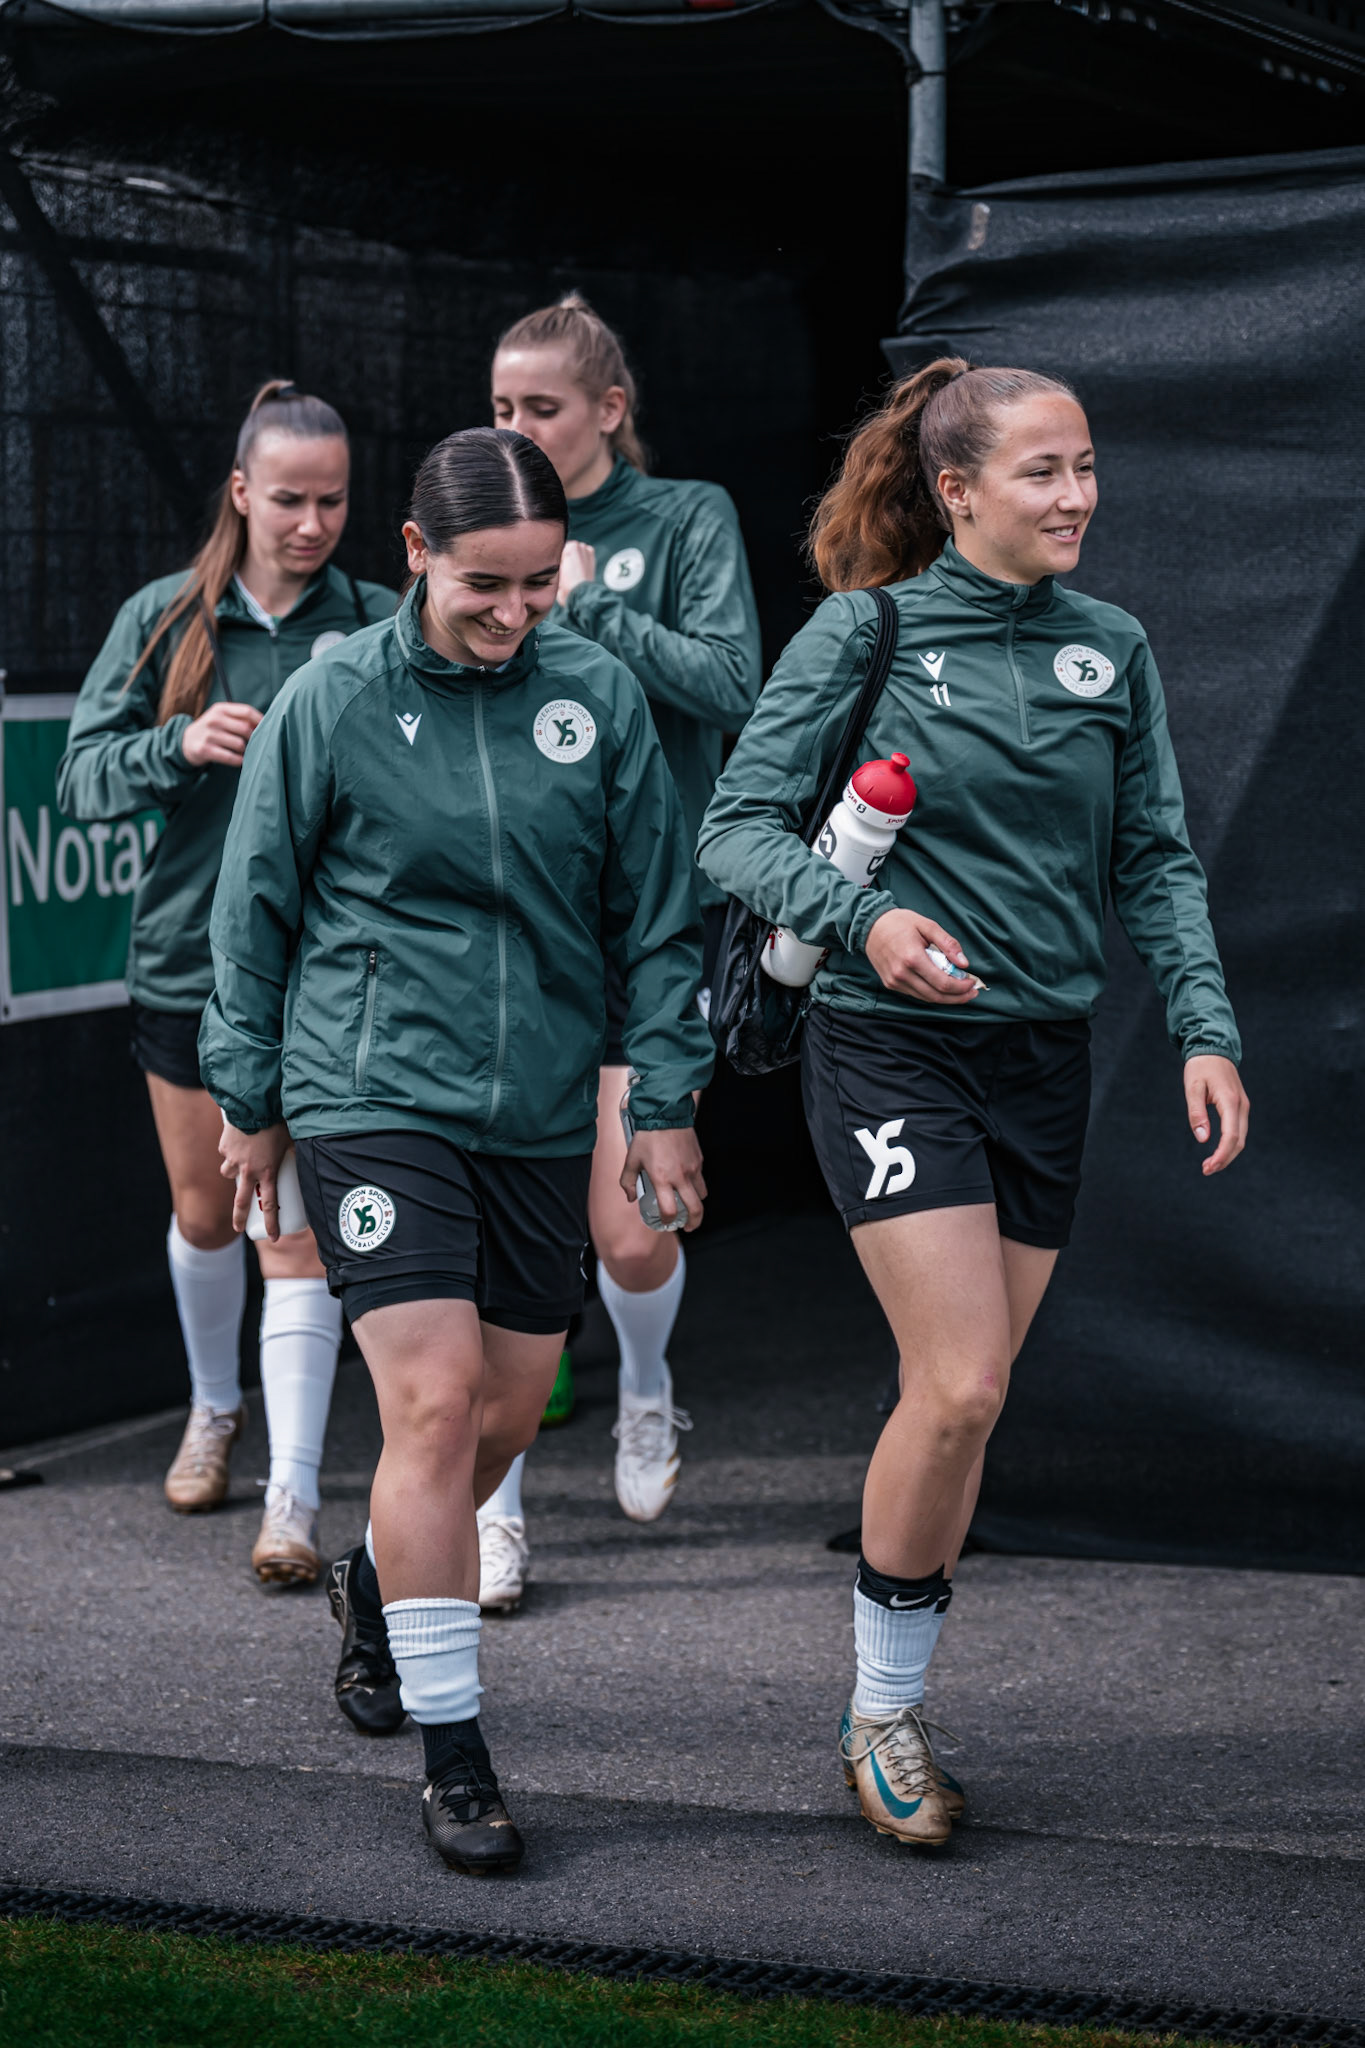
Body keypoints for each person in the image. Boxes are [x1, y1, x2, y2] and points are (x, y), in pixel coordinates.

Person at [697, 360, 1249, 1849]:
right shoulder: (865, 631)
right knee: (960, 1386)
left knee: (960, 1403)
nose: (1077, 497)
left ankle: (890, 1692)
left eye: (1085, 466)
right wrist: (865, 919)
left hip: (1042, 1059)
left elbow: (1155, 858)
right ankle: (883, 1717)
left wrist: (1205, 1028)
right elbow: (735, 831)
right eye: (1041, 471)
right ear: (955, 491)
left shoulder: (1110, 646)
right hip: (890, 1048)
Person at [204, 426, 713, 1872]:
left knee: (500, 1416)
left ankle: (376, 1586)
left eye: (540, 584)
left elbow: (655, 924)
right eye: (486, 583)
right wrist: (250, 1097)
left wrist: (663, 1097)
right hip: (371, 1090)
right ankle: (457, 1754)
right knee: (430, 1409)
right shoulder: (332, 697)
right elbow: (255, 909)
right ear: (416, 553)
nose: (514, 612)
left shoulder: (597, 694)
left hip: (540, 1106)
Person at [57, 380, 395, 1585]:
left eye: (334, 500)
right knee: (209, 1216)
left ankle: (290, 1501)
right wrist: (180, 743)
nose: (312, 523)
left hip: (329, 977)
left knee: (287, 1237)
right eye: (290, 499)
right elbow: (78, 777)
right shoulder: (166, 616)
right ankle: (215, 1406)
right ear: (242, 491)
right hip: (188, 968)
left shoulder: (378, 620)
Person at [477, 293, 761, 1611]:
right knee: (494, 1221)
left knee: (633, 1236)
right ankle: (494, 1509)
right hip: (513, 919)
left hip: (656, 919)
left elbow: (733, 685)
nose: (516, 427)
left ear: (608, 409)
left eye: (541, 407)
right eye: (500, 407)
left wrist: (590, 608)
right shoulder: (486, 527)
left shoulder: (684, 518)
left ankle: (647, 1381)